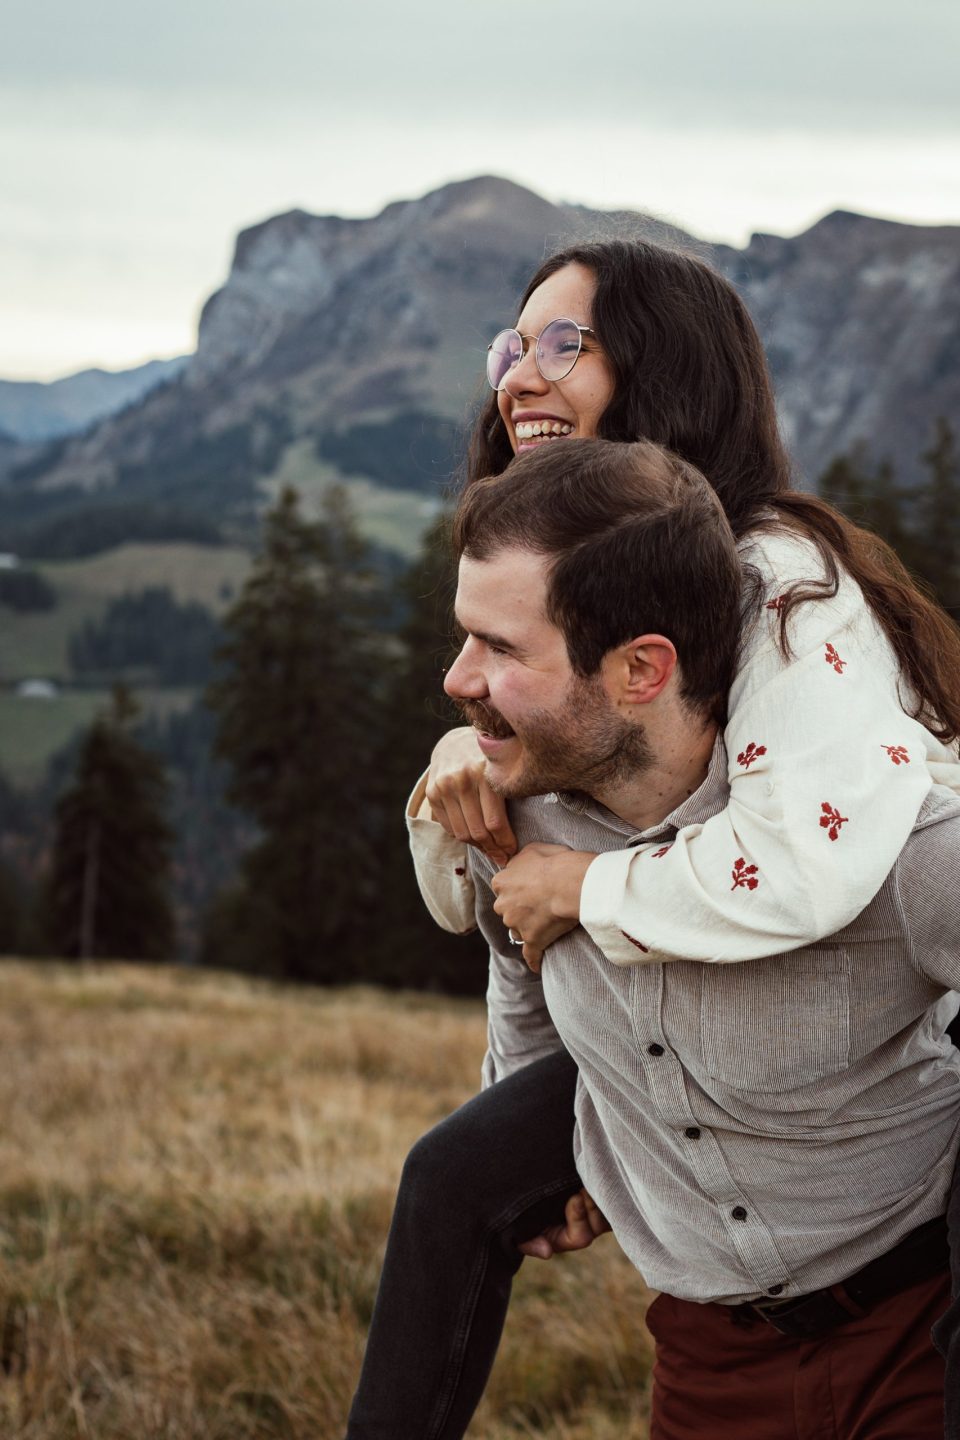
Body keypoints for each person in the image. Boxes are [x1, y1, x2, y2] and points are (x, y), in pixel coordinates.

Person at [344, 240, 960, 1439]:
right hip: (704, 1259)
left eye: (563, 344)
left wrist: (586, 885)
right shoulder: (564, 642)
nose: (519, 373)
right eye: (509, 346)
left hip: (853, 1052)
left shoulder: (777, 583)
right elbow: (504, 915)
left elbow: (806, 862)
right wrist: (469, 776)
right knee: (458, 1175)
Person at [449, 437, 957, 1438]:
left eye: (502, 649)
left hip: (918, 1340)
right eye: (466, 636)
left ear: (643, 669)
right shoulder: (506, 824)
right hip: (701, 1363)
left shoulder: (883, 843)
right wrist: (544, 1159)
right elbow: (524, 978)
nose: (458, 676)